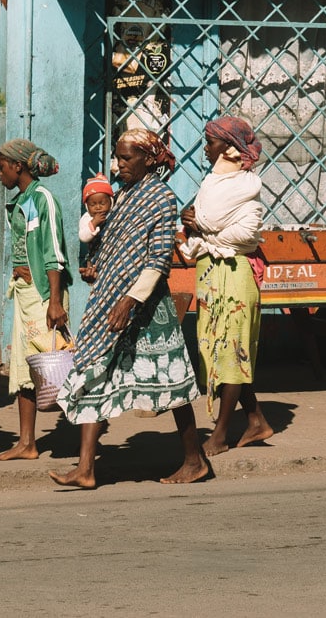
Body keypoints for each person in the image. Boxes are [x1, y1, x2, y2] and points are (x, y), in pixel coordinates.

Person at [50, 129, 209, 488]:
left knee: (171, 385)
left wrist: (129, 299)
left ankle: (194, 460)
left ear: (149, 159)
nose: (118, 165)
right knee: (93, 369)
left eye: (126, 159)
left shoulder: (162, 200)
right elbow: (113, 243)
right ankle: (86, 468)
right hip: (109, 299)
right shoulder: (122, 197)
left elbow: (156, 260)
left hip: (146, 308)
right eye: (118, 158)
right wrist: (96, 266)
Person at [179, 115, 272, 457]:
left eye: (211, 142)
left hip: (234, 276)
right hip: (211, 273)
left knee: (232, 352)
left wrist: (204, 230)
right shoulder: (215, 184)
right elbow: (201, 221)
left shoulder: (245, 187)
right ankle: (256, 420)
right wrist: (203, 229)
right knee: (218, 350)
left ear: (230, 148)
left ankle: (220, 433)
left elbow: (245, 234)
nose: (206, 148)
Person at [0, 139, 70, 462]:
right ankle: (27, 443)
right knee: (25, 368)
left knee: (55, 366)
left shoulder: (43, 199)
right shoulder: (22, 199)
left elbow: (54, 253)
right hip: (24, 294)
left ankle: (90, 432)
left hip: (42, 297)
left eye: (2, 167)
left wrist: (54, 301)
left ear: (18, 166)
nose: (0, 174)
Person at [77, 172, 114, 275]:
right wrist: (93, 223)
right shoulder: (87, 218)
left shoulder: (114, 214)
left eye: (102, 203)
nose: (98, 207)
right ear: (87, 206)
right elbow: (83, 237)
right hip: (95, 259)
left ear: (111, 202)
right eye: (93, 204)